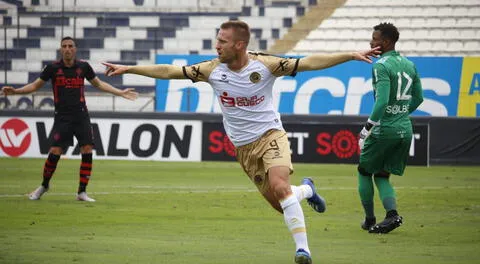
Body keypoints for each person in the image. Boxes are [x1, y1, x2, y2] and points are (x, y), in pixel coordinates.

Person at [103, 20, 379, 264]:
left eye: (222, 41)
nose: (217, 45)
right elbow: (170, 71)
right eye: (217, 40)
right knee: (281, 203)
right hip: (244, 149)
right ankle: (307, 190)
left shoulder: (266, 65)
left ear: (239, 45)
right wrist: (129, 68)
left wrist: (350, 55)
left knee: (281, 187)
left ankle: (303, 251)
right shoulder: (211, 70)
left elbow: (308, 62)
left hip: (271, 136)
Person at [1, 36, 138, 202]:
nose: (67, 48)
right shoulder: (52, 68)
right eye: (64, 46)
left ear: (75, 49)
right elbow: (35, 85)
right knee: (55, 151)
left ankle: (82, 192)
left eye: (70, 46)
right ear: (61, 49)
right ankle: (44, 185)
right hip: (62, 117)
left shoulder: (83, 67)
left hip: (81, 115)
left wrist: (120, 92)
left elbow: (99, 84)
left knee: (87, 149)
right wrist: (16, 91)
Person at [357, 22, 424, 234]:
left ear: (385, 42)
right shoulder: (409, 65)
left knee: (364, 172)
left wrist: (367, 128)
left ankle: (369, 219)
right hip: (405, 129)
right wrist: (401, 114)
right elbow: (419, 98)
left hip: (383, 130)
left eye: (374, 39)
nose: (371, 42)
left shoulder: (381, 66)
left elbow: (382, 102)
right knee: (383, 175)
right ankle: (392, 215)